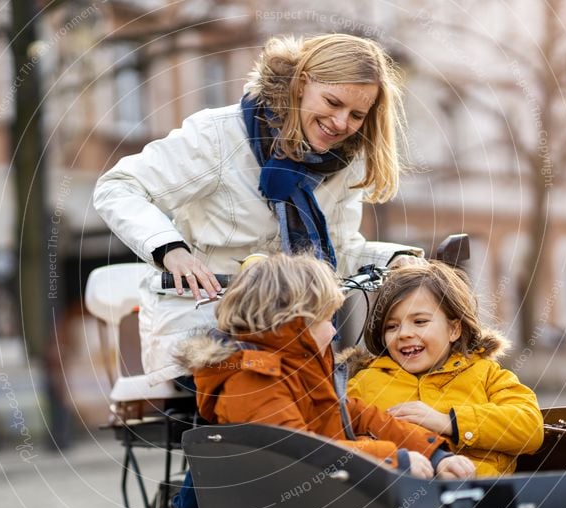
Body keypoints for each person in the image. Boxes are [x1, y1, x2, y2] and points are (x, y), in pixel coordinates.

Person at [93, 33, 423, 387]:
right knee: (275, 391)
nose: (341, 124)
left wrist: (394, 260)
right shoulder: (219, 135)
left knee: (364, 393)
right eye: (332, 102)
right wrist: (171, 251)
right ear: (301, 84)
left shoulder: (344, 162)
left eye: (357, 114)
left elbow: (337, 252)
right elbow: (118, 187)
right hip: (206, 328)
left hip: (295, 334)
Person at [178, 253, 477, 483]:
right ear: (294, 322)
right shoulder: (253, 380)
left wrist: (433, 453)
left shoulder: (299, 371)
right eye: (325, 320)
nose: (333, 332)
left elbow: (360, 415)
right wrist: (392, 459)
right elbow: (296, 454)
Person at [347, 262, 545, 477]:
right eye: (391, 326)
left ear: (453, 329)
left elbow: (530, 427)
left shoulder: (486, 374)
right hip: (399, 501)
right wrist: (395, 458)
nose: (404, 333)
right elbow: (336, 439)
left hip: (482, 498)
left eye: (420, 321)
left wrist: (449, 422)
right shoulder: (364, 383)